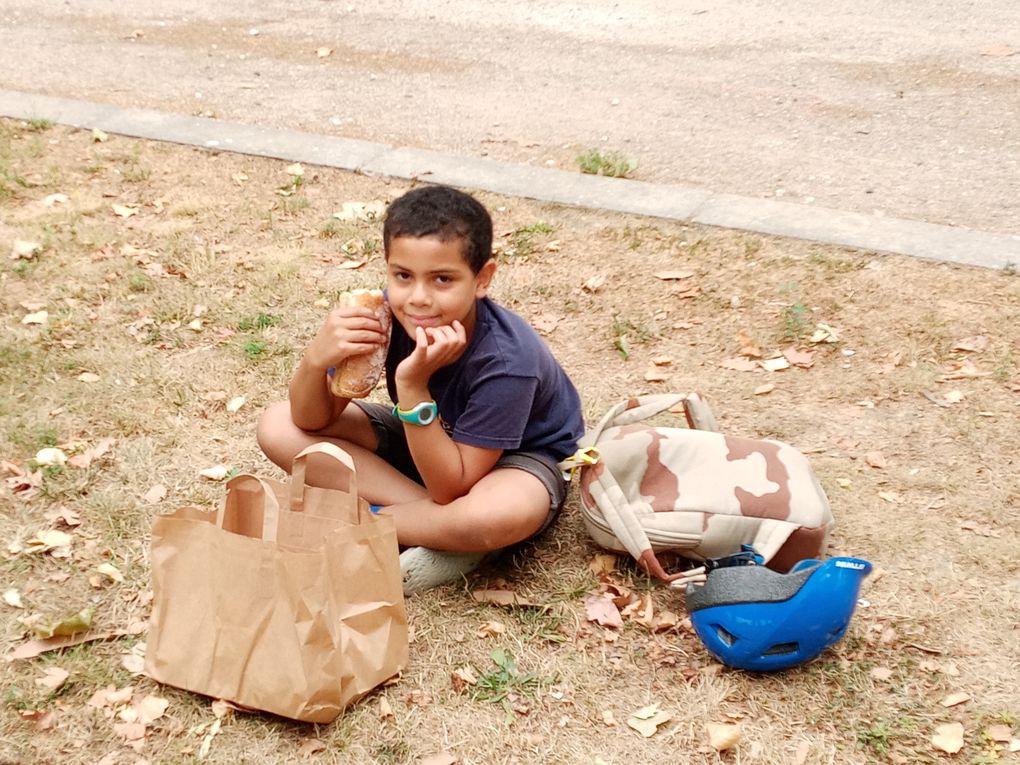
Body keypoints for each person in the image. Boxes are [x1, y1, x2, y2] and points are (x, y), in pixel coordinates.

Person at [257, 185, 585, 591]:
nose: (418, 299)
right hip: (427, 442)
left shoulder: (507, 362)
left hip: (513, 461)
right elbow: (312, 419)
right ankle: (440, 533)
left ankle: (370, 527)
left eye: (442, 279)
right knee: (278, 425)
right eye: (403, 276)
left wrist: (412, 386)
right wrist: (316, 359)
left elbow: (452, 488)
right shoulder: (381, 317)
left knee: (496, 514)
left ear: (482, 278)